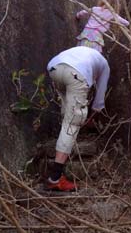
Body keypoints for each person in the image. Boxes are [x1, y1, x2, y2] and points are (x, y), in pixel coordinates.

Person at [46, 46, 110, 192]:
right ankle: (55, 178)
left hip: (54, 68)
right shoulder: (104, 64)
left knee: (67, 111)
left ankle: (61, 140)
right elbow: (99, 99)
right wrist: (93, 115)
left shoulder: (82, 51)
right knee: (73, 123)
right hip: (76, 73)